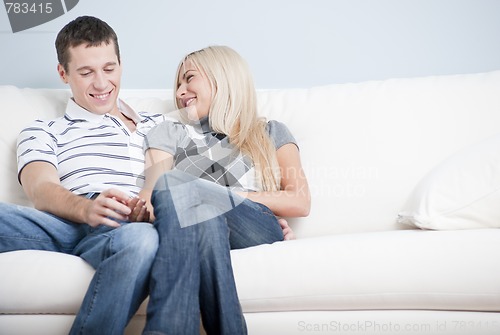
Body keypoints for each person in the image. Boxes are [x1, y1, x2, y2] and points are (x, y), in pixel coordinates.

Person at [0, 16, 165, 334]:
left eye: (109, 68)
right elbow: (40, 187)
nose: (102, 84)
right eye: (86, 72)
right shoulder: (44, 129)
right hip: (65, 221)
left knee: (142, 240)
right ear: (63, 73)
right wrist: (86, 208)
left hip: (127, 224)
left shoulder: (158, 124)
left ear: (120, 64)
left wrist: (260, 215)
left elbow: (201, 185)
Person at [139, 46, 311, 335]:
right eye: (178, 85)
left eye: (189, 79)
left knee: (180, 186)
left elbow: (300, 200)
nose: (181, 92)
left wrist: (225, 197)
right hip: (195, 226)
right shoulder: (169, 131)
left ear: (223, 78)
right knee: (194, 206)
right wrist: (205, 200)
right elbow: (152, 194)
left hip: (253, 224)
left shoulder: (270, 132)